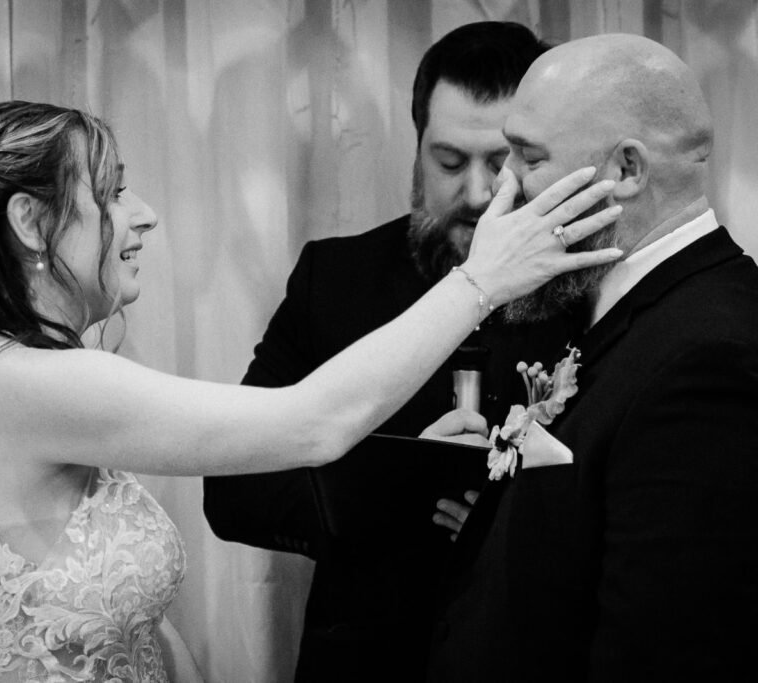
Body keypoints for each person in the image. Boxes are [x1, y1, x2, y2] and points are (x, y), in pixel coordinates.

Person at [0, 100, 621, 682]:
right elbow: (312, 423)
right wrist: (483, 278)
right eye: (113, 190)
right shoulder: (33, 385)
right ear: (30, 221)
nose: (145, 214)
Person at [426, 33, 758, 682]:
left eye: (527, 158)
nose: (498, 192)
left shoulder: (716, 365)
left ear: (626, 171)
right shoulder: (634, 308)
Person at [201, 21, 571, 681]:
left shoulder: (593, 287)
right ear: (417, 148)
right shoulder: (335, 280)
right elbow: (234, 489)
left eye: (504, 162)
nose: (480, 194)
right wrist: (393, 484)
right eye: (450, 162)